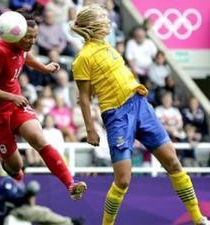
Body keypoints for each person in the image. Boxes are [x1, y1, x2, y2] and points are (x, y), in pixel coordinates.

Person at [70, 4, 210, 225]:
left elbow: (105, 78)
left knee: (173, 162)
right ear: (92, 25)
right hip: (116, 115)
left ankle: (198, 218)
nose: (107, 22)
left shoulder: (107, 46)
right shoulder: (82, 59)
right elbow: (85, 98)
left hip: (140, 104)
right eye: (102, 19)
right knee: (123, 180)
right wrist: (90, 129)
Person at [0, 15, 86, 200]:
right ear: (15, 35)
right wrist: (12, 97)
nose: (32, 41)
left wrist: (44, 68)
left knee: (39, 139)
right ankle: (11, 169)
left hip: (15, 105)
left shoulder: (22, 46)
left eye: (35, 37)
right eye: (28, 37)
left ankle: (70, 184)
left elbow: (26, 56)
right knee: (16, 166)